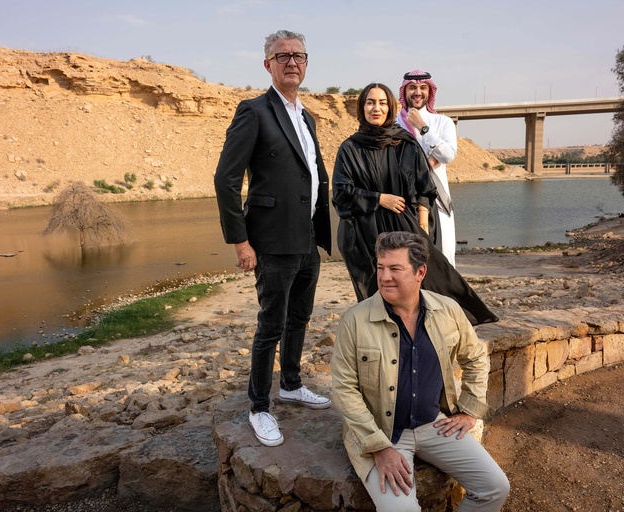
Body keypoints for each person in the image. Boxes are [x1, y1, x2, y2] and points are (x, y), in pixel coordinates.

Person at [331, 231, 510, 512]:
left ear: (420, 272)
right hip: (382, 433)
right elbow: (344, 390)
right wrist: (380, 448)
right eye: (381, 267)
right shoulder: (355, 320)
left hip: (434, 424)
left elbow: (475, 356)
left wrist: (470, 409)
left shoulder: (448, 310)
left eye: (395, 269)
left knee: (495, 487)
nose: (384, 277)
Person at [213, 29, 332, 447]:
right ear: (268, 64)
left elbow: (310, 174)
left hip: (307, 237)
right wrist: (241, 241)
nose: (292, 62)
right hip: (272, 240)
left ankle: (292, 384)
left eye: (299, 55)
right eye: (283, 56)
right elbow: (226, 180)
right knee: (270, 326)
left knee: (299, 317)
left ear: (306, 62)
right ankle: (259, 407)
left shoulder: (307, 116)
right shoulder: (254, 111)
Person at [332, 83, 497, 326]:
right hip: (363, 231)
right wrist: (379, 198)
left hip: (404, 226)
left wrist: (422, 226)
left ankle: (443, 327)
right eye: (370, 102)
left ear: (390, 107)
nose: (376, 108)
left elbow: (424, 188)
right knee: (376, 292)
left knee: (431, 281)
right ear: (362, 108)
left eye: (382, 103)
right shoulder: (350, 148)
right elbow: (341, 192)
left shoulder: (405, 143)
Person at [396, 70, 459, 266]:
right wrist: (428, 160)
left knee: (443, 257)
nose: (418, 92)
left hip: (437, 201)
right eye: (412, 87)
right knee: (405, 259)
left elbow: (447, 155)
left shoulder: (442, 122)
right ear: (404, 91)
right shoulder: (394, 124)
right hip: (403, 201)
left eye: (423, 87)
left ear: (430, 91)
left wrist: (423, 128)